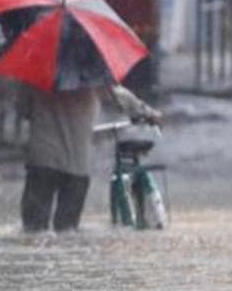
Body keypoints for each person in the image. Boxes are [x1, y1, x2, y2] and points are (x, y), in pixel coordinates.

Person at [20, 82, 161, 232]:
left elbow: (24, 111)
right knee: (67, 231)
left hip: (43, 161)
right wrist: (148, 113)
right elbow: (121, 97)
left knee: (33, 229)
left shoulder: (35, 78)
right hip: (77, 165)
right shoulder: (92, 77)